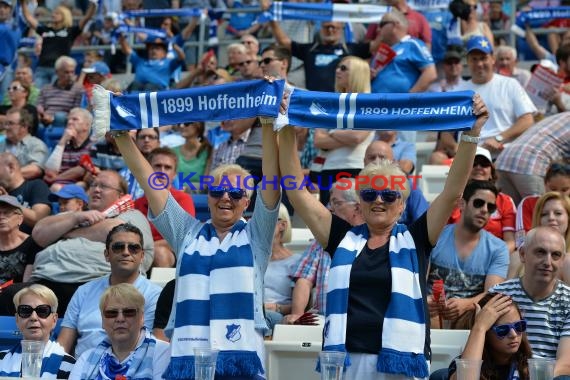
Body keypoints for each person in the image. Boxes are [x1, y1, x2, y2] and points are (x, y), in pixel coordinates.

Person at [277, 94, 489, 379]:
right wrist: (288, 127)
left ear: (402, 205)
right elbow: (297, 192)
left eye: (389, 195)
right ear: (359, 203)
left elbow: (452, 191)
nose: (379, 200)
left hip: (400, 363)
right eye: (369, 194)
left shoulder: (416, 238)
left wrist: (471, 135)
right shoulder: (342, 238)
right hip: (346, 362)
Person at [113, 111, 280, 378]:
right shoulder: (186, 232)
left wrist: (269, 124)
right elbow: (150, 182)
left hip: (242, 357)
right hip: (188, 357)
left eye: (236, 193)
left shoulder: (256, 235)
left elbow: (272, 178)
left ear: (247, 203)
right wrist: (121, 136)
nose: (226, 197)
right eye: (217, 191)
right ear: (208, 196)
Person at [58, 223, 162, 358]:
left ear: (142, 256)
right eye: (118, 247)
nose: (126, 252)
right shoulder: (83, 292)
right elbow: (63, 345)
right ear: (107, 254)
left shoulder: (155, 295)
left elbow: (150, 347)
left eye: (133, 248)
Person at [427, 180, 509, 328]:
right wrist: (425, 301)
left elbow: (492, 293)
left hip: (470, 319)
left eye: (490, 207)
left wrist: (467, 304)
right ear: (462, 204)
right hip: (431, 313)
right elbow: (417, 281)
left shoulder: (498, 248)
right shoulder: (435, 236)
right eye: (478, 203)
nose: (484, 210)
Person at [491, 227, 570, 377]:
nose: (548, 261)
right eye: (540, 252)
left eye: (555, 255)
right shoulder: (499, 295)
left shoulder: (568, 300)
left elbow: (566, 363)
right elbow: (486, 352)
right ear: (522, 254)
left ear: (562, 261)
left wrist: (534, 376)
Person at [283, 180, 364, 323]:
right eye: (330, 203)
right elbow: (304, 279)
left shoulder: (374, 239)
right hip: (324, 318)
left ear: (357, 207)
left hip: (360, 319)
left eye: (337, 203)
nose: (330, 209)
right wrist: (297, 314)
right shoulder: (320, 242)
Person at [454, 36, 536, 157]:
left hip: (503, 154)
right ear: (467, 61)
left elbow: (527, 120)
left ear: (493, 59)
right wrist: (456, 148)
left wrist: (499, 138)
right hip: (469, 158)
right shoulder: (458, 91)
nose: (479, 64)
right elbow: (446, 132)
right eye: (474, 59)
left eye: (483, 58)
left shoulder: (509, 84)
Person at [69, 283, 170, 380]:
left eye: (129, 312)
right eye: (111, 313)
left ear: (142, 318)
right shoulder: (86, 359)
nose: (120, 319)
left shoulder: (164, 353)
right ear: (102, 321)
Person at [313, 56, 374, 206]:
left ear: (357, 73)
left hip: (354, 167)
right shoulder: (333, 103)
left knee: (354, 215)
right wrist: (344, 136)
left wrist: (332, 133)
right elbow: (318, 140)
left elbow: (357, 137)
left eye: (343, 68)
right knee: (329, 219)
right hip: (327, 169)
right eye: (338, 67)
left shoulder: (369, 103)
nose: (337, 70)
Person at [134, 147, 195, 267]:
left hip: (171, 254)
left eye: (167, 167)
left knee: (160, 253)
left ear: (174, 175)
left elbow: (184, 237)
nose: (162, 171)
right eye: (157, 166)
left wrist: (147, 249)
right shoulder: (137, 203)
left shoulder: (183, 199)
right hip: (139, 252)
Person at [448, 293, 532, 380]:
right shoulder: (462, 362)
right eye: (502, 329)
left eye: (519, 326)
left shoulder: (530, 365)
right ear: (486, 334)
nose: (514, 335)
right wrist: (479, 327)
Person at [448, 147, 516, 253]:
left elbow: (510, 242)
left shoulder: (505, 201)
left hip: (493, 256)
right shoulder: (451, 199)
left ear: (491, 172)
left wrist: (492, 258)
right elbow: (440, 235)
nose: (478, 167)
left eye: (484, 164)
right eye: (473, 163)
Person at [0, 284, 75, 378]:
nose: (33, 317)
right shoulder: (1, 360)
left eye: (42, 311)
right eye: (25, 310)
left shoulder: (70, 366)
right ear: (17, 320)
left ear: (54, 320)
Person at [495, 112, 570, 205]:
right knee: (540, 213)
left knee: (511, 214)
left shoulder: (561, 116)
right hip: (531, 164)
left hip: (503, 161)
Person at [19, 0, 97, 89]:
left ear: (64, 16)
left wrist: (94, 4)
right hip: (42, 68)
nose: (53, 15)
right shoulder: (45, 30)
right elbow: (29, 18)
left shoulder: (71, 31)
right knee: (38, 95)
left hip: (59, 71)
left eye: (57, 13)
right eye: (53, 13)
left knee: (55, 95)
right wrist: (23, 3)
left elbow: (87, 17)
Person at [508, 192, 570, 284]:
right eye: (544, 214)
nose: (551, 218)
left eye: (558, 213)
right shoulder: (517, 257)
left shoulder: (568, 262)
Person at [264, 204, 299, 333]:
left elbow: (305, 305)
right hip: (249, 311)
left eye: (267, 218)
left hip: (276, 316)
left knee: (265, 317)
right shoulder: (251, 258)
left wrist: (276, 308)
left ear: (282, 225)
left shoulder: (296, 262)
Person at [515, 162, 570, 245]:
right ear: (545, 184)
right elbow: (521, 240)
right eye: (553, 189)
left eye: (564, 190)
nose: (558, 194)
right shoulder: (529, 203)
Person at [0, 152, 51, 234]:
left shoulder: (36, 185)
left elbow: (39, 220)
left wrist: (10, 201)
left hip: (31, 243)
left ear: (11, 167)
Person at [0, 195, 42, 285]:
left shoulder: (32, 243)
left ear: (20, 219)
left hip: (16, 295)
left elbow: (27, 283)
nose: (1, 217)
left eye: (7, 213)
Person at [0, 108, 47, 180]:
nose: (6, 127)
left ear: (24, 126)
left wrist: (6, 175)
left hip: (25, 188)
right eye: (6, 123)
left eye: (11, 123)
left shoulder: (36, 144)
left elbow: (35, 170)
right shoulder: (2, 144)